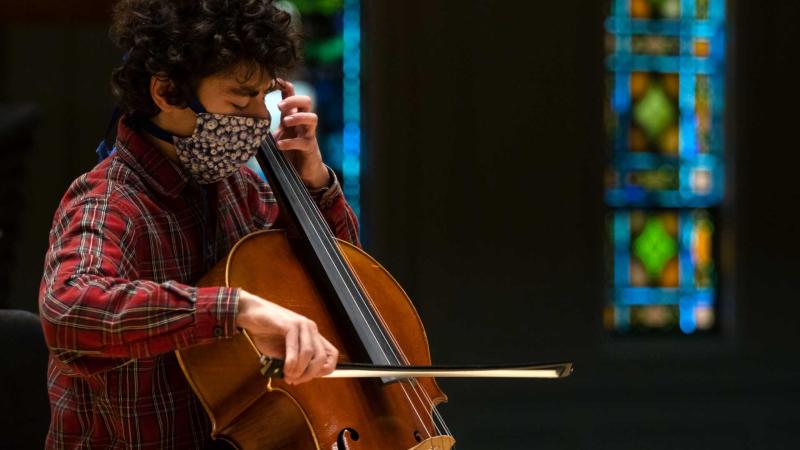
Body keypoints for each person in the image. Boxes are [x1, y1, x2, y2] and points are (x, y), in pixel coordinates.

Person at [37, 0, 359, 448]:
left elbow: (341, 288)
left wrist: (314, 183)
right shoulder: (108, 201)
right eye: (241, 99)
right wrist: (239, 309)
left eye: (264, 97)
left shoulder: (241, 188)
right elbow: (69, 309)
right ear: (167, 93)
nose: (261, 120)